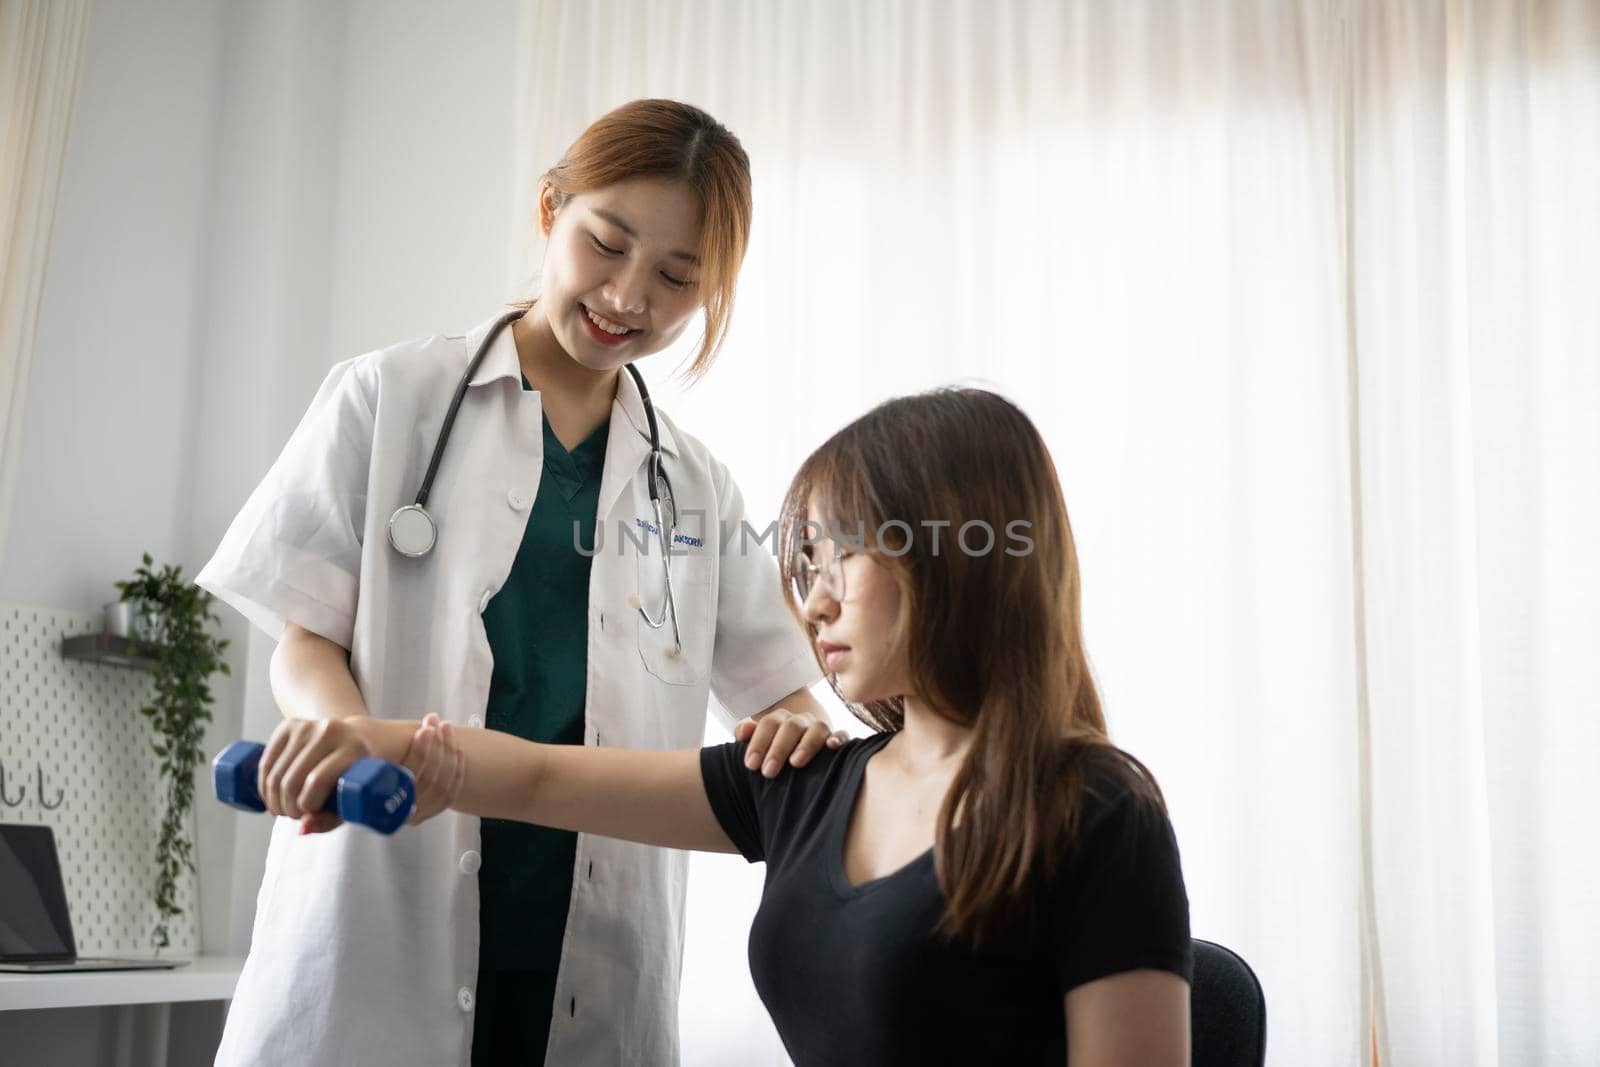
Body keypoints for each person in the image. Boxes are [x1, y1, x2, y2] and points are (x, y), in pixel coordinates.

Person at [264, 387, 1195, 1065]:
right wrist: (369, 742)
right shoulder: (811, 782)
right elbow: (542, 778)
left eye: (843, 555)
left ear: (955, 552)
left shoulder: (1096, 812)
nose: (813, 600)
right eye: (806, 561)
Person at [197, 99, 843, 1067]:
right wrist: (341, 733)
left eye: (677, 277)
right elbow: (308, 633)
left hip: (591, 948)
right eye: (608, 243)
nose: (630, 296)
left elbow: (779, 689)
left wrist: (797, 720)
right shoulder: (391, 396)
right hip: (381, 900)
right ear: (551, 208)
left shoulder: (695, 484)